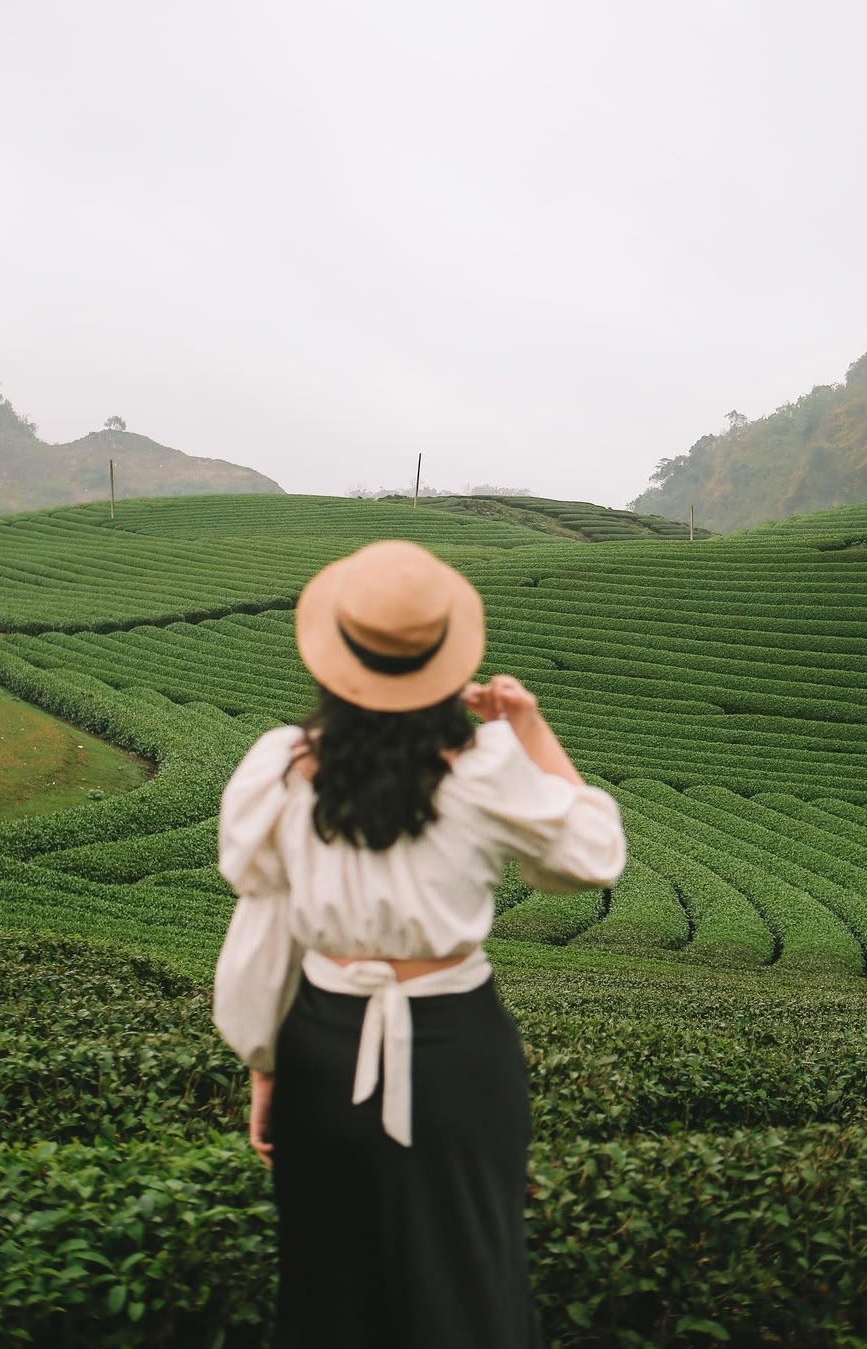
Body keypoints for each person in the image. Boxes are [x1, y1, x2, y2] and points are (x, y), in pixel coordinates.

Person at [212, 539, 627, 1349]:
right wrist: (532, 728)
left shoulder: (287, 768)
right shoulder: (484, 766)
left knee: (328, 1289)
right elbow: (592, 856)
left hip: (324, 1043)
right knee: (469, 1279)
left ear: (338, 662)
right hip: (455, 1049)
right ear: (443, 660)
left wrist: (265, 1064)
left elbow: (264, 927)